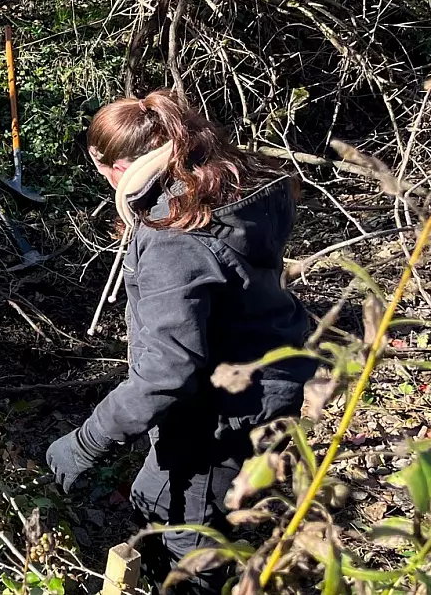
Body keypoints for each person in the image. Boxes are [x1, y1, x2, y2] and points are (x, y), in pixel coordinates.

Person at [45, 90, 315, 594]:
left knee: (189, 546)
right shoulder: (220, 188)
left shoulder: (176, 235)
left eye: (104, 173)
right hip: (262, 380)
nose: (108, 186)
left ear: (124, 167)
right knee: (161, 498)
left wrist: (85, 442)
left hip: (223, 411)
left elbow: (168, 373)